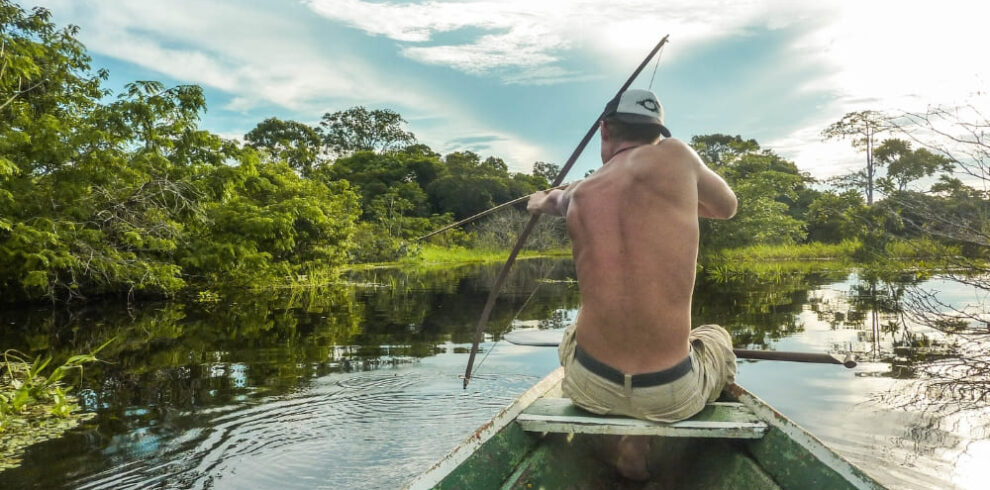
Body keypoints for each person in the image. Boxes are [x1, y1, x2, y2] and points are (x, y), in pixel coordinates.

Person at [526, 88, 738, 480]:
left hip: (590, 389)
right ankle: (641, 438)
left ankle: (626, 434)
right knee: (715, 336)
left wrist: (540, 198)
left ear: (604, 130)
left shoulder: (577, 194)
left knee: (574, 330)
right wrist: (676, 199)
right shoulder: (677, 155)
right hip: (670, 395)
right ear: (656, 133)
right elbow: (727, 207)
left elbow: (547, 202)